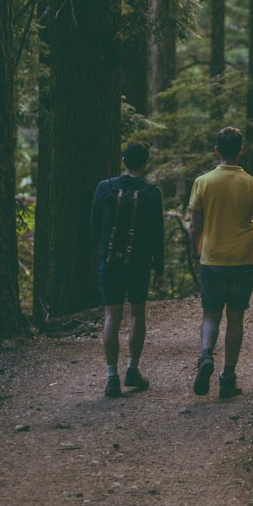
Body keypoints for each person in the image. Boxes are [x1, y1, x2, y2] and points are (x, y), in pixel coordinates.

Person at [188, 125, 253, 401]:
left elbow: (195, 227)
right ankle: (228, 378)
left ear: (216, 150)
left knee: (211, 314)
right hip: (242, 261)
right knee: (235, 318)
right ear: (241, 150)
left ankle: (205, 356)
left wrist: (195, 252)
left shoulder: (202, 182)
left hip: (212, 259)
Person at [90, 142, 165, 398]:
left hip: (109, 262)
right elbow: (157, 234)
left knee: (111, 316)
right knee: (137, 314)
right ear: (145, 163)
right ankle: (132, 369)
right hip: (139, 263)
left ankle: (112, 376)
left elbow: (93, 224)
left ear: (123, 160)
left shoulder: (105, 187)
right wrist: (160, 267)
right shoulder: (152, 193)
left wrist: (100, 254)